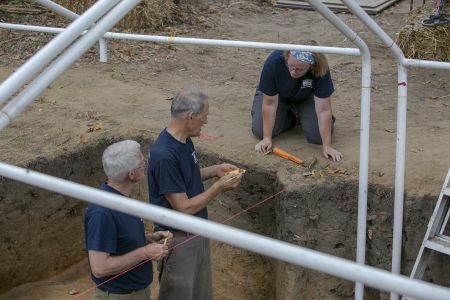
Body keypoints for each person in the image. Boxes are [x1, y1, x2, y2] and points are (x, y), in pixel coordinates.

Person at [147, 87, 242, 300]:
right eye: (204, 116)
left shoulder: (183, 140)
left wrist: (213, 171)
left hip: (196, 233)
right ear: (191, 117)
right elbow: (183, 207)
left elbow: (184, 178)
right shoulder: (165, 156)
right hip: (179, 242)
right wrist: (218, 187)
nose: (206, 121)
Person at [85, 139, 172, 300]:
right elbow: (99, 267)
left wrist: (147, 239)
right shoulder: (102, 212)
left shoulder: (121, 199)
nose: (145, 163)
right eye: (142, 162)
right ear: (131, 174)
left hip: (136, 293)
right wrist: (145, 253)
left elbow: (118, 240)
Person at [252, 39, 343, 162]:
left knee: (318, 138)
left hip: (306, 97)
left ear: (312, 66)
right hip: (277, 96)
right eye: (291, 66)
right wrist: (266, 138)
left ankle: (302, 114)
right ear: (287, 56)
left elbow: (323, 109)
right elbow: (270, 104)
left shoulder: (321, 69)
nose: (293, 72)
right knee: (259, 130)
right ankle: (291, 117)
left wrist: (327, 146)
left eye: (300, 70)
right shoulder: (274, 62)